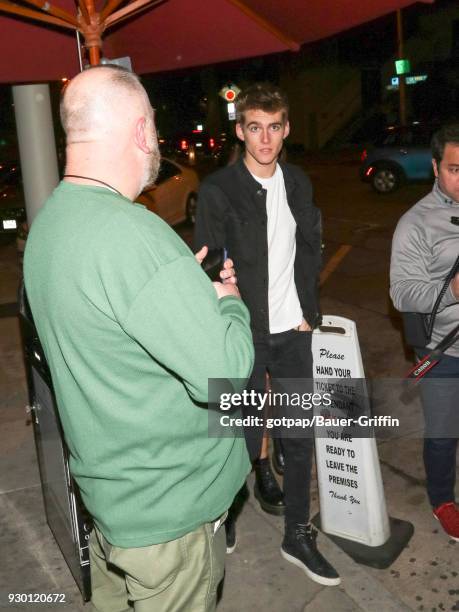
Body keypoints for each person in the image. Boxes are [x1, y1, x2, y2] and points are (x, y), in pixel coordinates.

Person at [23, 65, 255, 611]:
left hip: (112, 500)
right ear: (140, 129)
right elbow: (226, 374)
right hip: (169, 515)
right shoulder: (134, 232)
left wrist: (180, 293)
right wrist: (229, 306)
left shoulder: (50, 224)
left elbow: (110, 335)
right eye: (153, 123)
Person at [194, 82, 341, 585]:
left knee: (299, 437)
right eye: (254, 128)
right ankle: (224, 517)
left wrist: (310, 312)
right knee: (238, 434)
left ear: (286, 130)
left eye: (274, 128)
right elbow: (207, 261)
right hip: (244, 334)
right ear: (240, 131)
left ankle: (298, 534)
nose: (265, 138)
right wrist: (220, 270)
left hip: (293, 332)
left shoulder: (298, 182)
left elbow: (312, 246)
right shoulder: (218, 189)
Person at [390, 122, 459, 542]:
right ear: (435, 168)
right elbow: (401, 293)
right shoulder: (415, 224)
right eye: (455, 169)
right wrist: (452, 288)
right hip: (444, 353)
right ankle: (441, 500)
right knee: (442, 436)